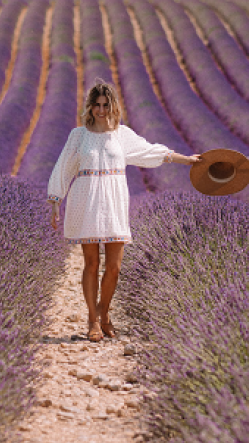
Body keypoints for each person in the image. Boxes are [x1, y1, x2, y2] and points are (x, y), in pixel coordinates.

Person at [47, 79, 200, 342]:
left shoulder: (122, 135)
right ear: (90, 107)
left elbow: (149, 152)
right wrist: (54, 203)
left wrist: (186, 159)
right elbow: (64, 167)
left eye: (106, 105)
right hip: (86, 200)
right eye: (97, 105)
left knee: (115, 267)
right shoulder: (78, 135)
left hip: (115, 202)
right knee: (92, 264)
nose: (101, 110)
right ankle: (92, 321)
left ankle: (104, 313)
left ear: (113, 106)